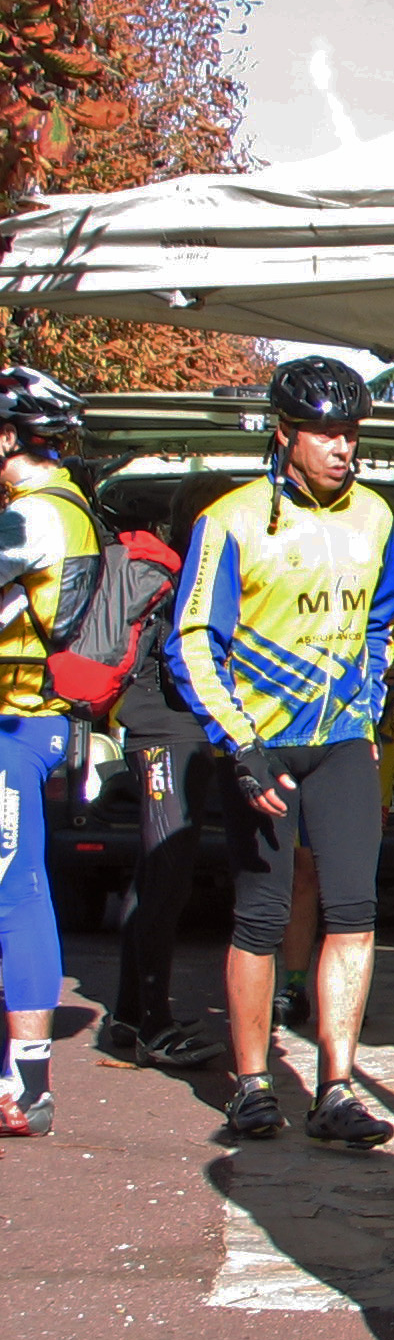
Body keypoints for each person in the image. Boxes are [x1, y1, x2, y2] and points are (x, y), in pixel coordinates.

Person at [169, 355, 394, 1153]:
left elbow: (382, 622)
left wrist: (368, 705)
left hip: (341, 744)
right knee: (262, 917)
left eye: (350, 433)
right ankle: (253, 1083)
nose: (342, 447)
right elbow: (192, 641)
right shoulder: (230, 519)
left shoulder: (375, 516)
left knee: (355, 912)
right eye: (325, 433)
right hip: (262, 745)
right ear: (284, 434)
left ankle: (337, 1087)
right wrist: (240, 746)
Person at [99, 472, 234, 1072]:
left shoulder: (179, 569)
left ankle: (131, 1014)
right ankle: (153, 1023)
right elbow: (185, 661)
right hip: (167, 733)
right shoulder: (191, 577)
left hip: (158, 731)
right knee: (166, 875)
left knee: (154, 874)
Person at [0, 367, 99, 1137]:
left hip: (14, 723)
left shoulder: (30, 516)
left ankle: (28, 1084)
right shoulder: (65, 505)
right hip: (37, 723)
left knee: (16, 889)